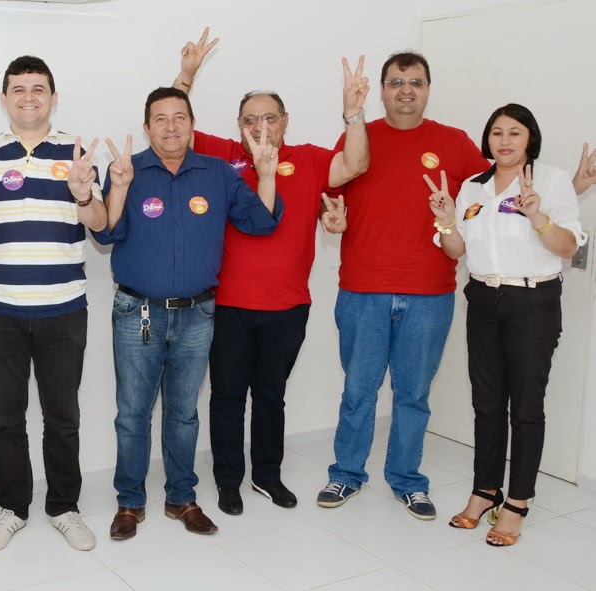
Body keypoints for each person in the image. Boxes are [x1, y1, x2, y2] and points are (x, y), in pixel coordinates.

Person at [171, 30, 368, 515]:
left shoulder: (310, 159)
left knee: (271, 398)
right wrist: (186, 76)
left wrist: (353, 112)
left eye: (270, 118)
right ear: (239, 126)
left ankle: (267, 476)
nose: (260, 126)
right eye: (250, 119)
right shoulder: (222, 158)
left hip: (288, 306)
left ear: (285, 122)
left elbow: (355, 163)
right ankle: (228, 481)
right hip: (228, 306)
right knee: (227, 397)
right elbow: (172, 129)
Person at [94, 87, 282, 540]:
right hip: (138, 312)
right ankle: (130, 502)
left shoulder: (218, 173)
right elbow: (106, 234)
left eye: (179, 117)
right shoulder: (127, 170)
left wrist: (266, 174)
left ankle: (181, 498)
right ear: (147, 127)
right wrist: (119, 186)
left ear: (193, 124)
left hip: (197, 315)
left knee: (183, 414)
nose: (171, 126)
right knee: (132, 414)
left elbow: (261, 221)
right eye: (160, 118)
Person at [315, 51, 494, 520]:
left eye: (415, 82)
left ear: (428, 88)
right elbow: (330, 198)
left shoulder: (454, 142)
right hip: (363, 290)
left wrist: (570, 185)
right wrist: (331, 218)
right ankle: (346, 474)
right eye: (396, 82)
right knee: (358, 391)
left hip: (429, 293)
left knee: (413, 396)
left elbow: (496, 192)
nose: (406, 90)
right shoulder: (358, 138)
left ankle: (407, 480)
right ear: (382, 91)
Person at [0, 55, 107, 553]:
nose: (28, 97)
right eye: (18, 89)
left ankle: (64, 507)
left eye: (38, 88)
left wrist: (83, 195)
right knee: (7, 417)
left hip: (63, 308)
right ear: (4, 99)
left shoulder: (77, 152)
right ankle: (12, 508)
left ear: (53, 97)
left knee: (63, 416)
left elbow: (101, 224)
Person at [429, 104, 585, 546]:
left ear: (530, 138)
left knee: (527, 406)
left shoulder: (551, 180)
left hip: (532, 302)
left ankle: (517, 502)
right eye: (497, 132)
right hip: (482, 298)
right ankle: (485, 490)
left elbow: (568, 247)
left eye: (515, 132)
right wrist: (446, 219)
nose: (505, 141)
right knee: (487, 403)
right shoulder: (472, 187)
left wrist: (538, 217)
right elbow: (455, 250)